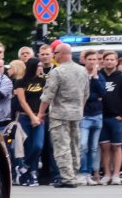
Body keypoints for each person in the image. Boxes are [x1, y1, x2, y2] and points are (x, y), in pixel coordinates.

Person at [38, 42, 88, 189]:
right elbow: (86, 94)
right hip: (76, 113)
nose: (54, 56)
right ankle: (74, 173)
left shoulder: (57, 72)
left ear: (60, 54)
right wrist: (80, 108)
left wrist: (41, 113)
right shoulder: (82, 70)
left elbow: (47, 95)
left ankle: (67, 178)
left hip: (60, 114)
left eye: (55, 54)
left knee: (62, 146)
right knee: (74, 145)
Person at [98, 50, 122, 185]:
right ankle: (107, 174)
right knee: (105, 147)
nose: (109, 62)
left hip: (116, 118)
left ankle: (116, 175)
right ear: (103, 61)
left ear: (116, 61)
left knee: (117, 146)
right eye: (107, 59)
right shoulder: (99, 76)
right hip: (101, 117)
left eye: (112, 60)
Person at [13, 57, 46, 186]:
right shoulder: (21, 82)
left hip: (40, 117)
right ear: (32, 67)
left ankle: (24, 167)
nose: (41, 68)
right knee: (28, 146)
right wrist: (32, 117)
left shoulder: (43, 81)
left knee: (38, 145)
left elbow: (45, 99)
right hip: (25, 118)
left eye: (42, 66)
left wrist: (39, 116)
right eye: (38, 66)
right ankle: (31, 174)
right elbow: (22, 101)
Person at [79, 49, 106, 185]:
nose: (93, 62)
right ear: (84, 60)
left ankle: (89, 173)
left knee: (93, 147)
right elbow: (84, 95)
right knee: (83, 145)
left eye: (95, 60)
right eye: (90, 59)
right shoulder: (81, 74)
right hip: (84, 116)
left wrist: (95, 78)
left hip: (97, 115)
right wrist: (95, 97)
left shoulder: (99, 76)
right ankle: (82, 172)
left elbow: (103, 93)